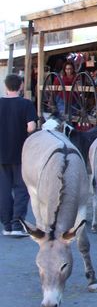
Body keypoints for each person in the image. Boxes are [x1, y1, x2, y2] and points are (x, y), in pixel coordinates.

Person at [0, 74, 37, 236]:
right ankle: (17, 225)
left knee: (3, 190)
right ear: (21, 86)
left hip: (1, 153)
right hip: (21, 152)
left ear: (5, 87)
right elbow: (30, 127)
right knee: (21, 189)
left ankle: (7, 226)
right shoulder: (26, 104)